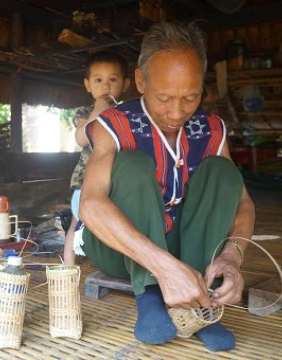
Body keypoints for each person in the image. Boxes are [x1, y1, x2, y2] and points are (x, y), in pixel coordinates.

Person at [76, 22, 255, 352]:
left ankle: (203, 302)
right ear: (141, 82)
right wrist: (164, 268)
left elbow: (243, 202)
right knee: (131, 163)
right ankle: (150, 294)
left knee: (223, 172)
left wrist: (232, 256)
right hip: (118, 247)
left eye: (191, 97)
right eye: (165, 98)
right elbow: (90, 205)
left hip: (180, 246)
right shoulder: (113, 124)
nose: (177, 112)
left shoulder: (211, 128)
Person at [63, 51, 130, 266]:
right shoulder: (85, 112)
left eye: (113, 79)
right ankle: (68, 265)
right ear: (88, 85)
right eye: (98, 80)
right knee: (77, 221)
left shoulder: (128, 114)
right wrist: (98, 112)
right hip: (87, 181)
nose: (106, 86)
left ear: (125, 84)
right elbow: (81, 138)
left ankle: (112, 262)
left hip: (117, 181)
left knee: (115, 220)